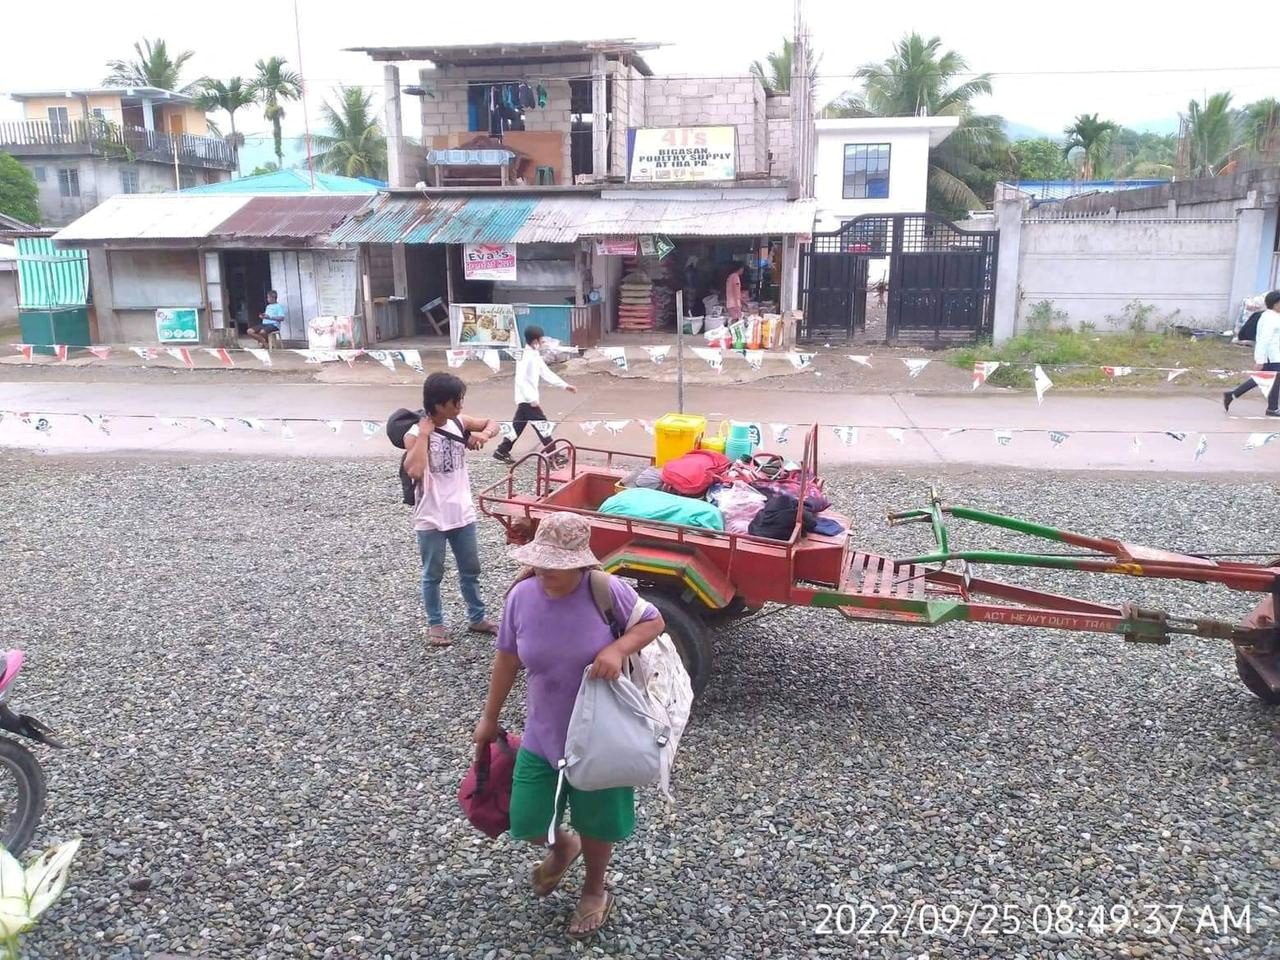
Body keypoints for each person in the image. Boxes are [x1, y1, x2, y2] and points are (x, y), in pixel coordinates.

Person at [473, 512, 665, 939]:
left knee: (599, 822)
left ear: (580, 563)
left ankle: (595, 890)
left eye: (557, 566)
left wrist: (617, 649)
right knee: (526, 819)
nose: (546, 573)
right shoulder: (521, 596)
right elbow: (506, 657)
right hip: (543, 733)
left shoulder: (604, 589)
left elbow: (654, 620)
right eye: (541, 563)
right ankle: (563, 848)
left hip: (601, 735)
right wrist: (489, 718)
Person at [404, 372, 501, 645]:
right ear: (437, 404)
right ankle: (436, 625)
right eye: (455, 401)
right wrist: (424, 435)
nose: (460, 406)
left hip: (462, 512)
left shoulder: (460, 422)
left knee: (471, 569)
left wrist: (483, 434)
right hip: (431, 516)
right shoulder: (414, 434)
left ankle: (477, 617)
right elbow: (414, 470)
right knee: (432, 573)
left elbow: (494, 423)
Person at [493, 324, 577, 465]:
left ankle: (502, 450)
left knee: (518, 426)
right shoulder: (525, 356)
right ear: (535, 341)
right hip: (527, 399)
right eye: (541, 340)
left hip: (527, 399)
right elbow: (520, 379)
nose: (543, 343)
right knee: (542, 425)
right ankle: (553, 455)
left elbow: (545, 372)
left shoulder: (534, 354)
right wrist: (531, 399)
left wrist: (565, 386)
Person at [1224, 290, 1280, 417]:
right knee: (1271, 379)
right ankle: (1272, 408)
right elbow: (1263, 339)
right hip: (1271, 356)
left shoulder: (1275, 316)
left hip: (1275, 355)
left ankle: (1232, 395)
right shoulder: (1270, 318)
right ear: (1276, 303)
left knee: (1269, 379)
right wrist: (1260, 360)